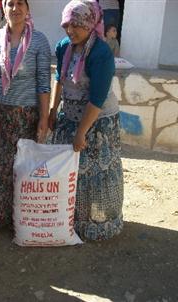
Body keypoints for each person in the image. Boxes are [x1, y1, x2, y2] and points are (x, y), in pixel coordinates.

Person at [48, 0, 123, 241]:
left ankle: (96, 224)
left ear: (90, 24)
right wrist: (53, 110)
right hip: (69, 116)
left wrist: (81, 132)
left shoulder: (100, 53)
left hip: (97, 122)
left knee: (94, 176)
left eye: (77, 26)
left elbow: (97, 99)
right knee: (70, 173)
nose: (71, 31)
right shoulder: (64, 46)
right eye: (67, 25)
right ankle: (67, 220)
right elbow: (59, 79)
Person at [0, 0, 51, 229]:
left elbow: (43, 83)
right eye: (10, 3)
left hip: (26, 117)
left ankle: (20, 221)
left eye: (20, 3)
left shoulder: (39, 41)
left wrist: (43, 117)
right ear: (3, 8)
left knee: (23, 168)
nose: (15, 8)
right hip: (0, 115)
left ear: (28, 9)